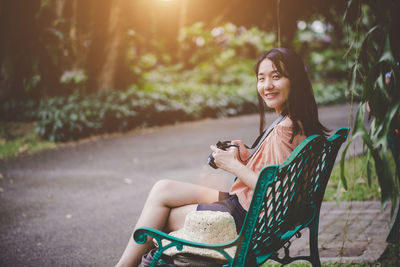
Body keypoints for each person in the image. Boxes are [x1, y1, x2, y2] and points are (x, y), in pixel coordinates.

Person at [115, 47, 329, 267]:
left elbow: (274, 192)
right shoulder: (297, 121)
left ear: (294, 80)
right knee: (163, 188)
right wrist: (247, 157)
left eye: (276, 77)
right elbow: (277, 174)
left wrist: (234, 165)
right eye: (261, 78)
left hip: (248, 218)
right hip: (248, 207)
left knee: (159, 220)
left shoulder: (287, 127)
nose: (267, 86)